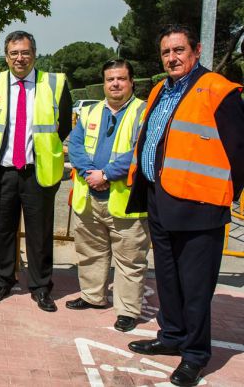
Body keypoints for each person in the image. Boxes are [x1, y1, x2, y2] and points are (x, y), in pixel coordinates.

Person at [125, 25, 244, 387]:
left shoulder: (219, 91)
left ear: (196, 50)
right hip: (161, 199)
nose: (172, 58)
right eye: (166, 52)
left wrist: (224, 193)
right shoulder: (161, 89)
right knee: (167, 279)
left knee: (195, 286)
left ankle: (194, 355)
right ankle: (172, 336)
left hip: (200, 206)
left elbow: (239, 150)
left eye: (179, 50)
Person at [0, 30, 72, 312]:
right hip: (2, 170)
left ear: (34, 53)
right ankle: (3, 279)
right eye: (13, 53)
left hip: (38, 171)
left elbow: (65, 125)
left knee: (40, 232)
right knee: (2, 229)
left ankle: (41, 286)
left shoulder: (55, 83)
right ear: (6, 56)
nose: (19, 58)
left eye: (25, 52)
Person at [65, 59, 149, 332]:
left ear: (131, 82)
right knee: (91, 251)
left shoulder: (143, 112)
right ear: (103, 82)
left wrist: (107, 174)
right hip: (89, 197)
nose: (115, 84)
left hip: (124, 200)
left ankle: (127, 310)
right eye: (110, 79)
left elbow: (141, 150)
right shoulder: (90, 112)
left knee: (129, 259)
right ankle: (93, 296)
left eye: (121, 79)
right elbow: (75, 145)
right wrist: (90, 172)